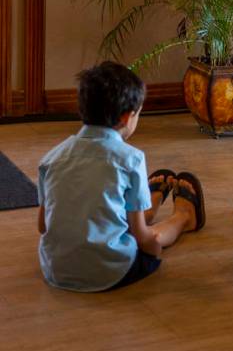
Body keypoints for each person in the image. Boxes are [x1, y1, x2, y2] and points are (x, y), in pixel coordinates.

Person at [37, 61, 206, 292]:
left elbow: (43, 225)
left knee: (105, 214)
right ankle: (184, 218)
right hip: (111, 272)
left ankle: (149, 206)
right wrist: (153, 252)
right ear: (128, 117)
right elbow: (141, 236)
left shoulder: (51, 158)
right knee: (152, 237)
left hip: (55, 270)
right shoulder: (130, 159)